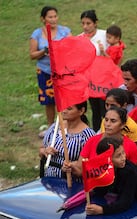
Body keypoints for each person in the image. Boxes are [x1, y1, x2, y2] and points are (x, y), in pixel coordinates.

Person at [29, 6, 71, 136]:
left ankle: (65, 126)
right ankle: (50, 127)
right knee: (49, 101)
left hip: (62, 71)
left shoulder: (65, 31)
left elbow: (72, 47)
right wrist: (44, 51)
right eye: (50, 17)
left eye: (55, 16)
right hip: (45, 71)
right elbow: (32, 54)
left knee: (64, 100)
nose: (53, 19)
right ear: (43, 19)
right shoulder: (37, 34)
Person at [66, 106, 137, 177]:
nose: (107, 124)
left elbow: (134, 173)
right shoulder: (92, 141)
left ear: (122, 125)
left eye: (113, 121)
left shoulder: (131, 146)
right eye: (106, 120)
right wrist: (70, 167)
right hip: (94, 188)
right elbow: (80, 170)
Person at [39, 101, 95, 180]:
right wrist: (45, 151)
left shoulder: (88, 136)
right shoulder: (55, 127)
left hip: (72, 184)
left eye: (69, 109)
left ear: (81, 111)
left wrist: (71, 167)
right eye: (63, 107)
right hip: (49, 181)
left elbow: (86, 167)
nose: (64, 111)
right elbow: (41, 149)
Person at [79, 9, 107, 132]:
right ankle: (96, 134)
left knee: (105, 108)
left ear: (95, 23)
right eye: (83, 23)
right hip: (89, 80)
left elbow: (115, 54)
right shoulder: (79, 38)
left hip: (105, 79)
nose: (85, 26)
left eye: (88, 23)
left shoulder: (105, 35)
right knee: (95, 109)